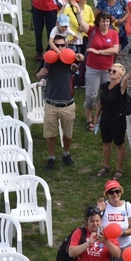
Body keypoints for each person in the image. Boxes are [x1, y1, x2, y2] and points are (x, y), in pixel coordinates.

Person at [35, 36, 82, 170]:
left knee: (68, 133)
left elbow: (77, 70)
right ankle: (51, 157)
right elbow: (37, 74)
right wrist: (39, 74)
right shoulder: (48, 60)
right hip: (51, 104)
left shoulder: (69, 59)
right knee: (50, 134)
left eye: (62, 45)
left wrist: (75, 65)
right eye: (57, 45)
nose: (60, 48)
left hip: (67, 104)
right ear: (52, 46)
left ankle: (66, 154)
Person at [94, 63, 131, 179]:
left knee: (119, 144)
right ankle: (106, 165)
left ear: (120, 75)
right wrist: (95, 117)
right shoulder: (105, 85)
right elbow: (100, 102)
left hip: (117, 120)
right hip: (105, 119)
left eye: (114, 71)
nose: (110, 73)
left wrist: (129, 75)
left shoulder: (121, 87)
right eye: (110, 70)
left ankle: (119, 168)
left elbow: (125, 81)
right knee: (106, 143)